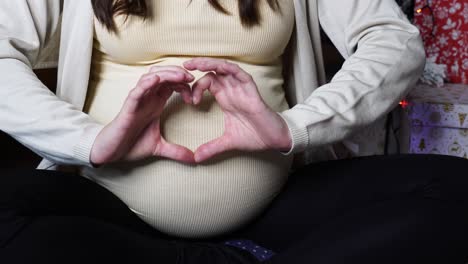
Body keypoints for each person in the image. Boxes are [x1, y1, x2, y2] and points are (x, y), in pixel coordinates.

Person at [1, 0, 468, 263]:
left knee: (456, 192)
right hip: (107, 200)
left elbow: (395, 41)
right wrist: (93, 141)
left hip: (276, 195)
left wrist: (292, 127)